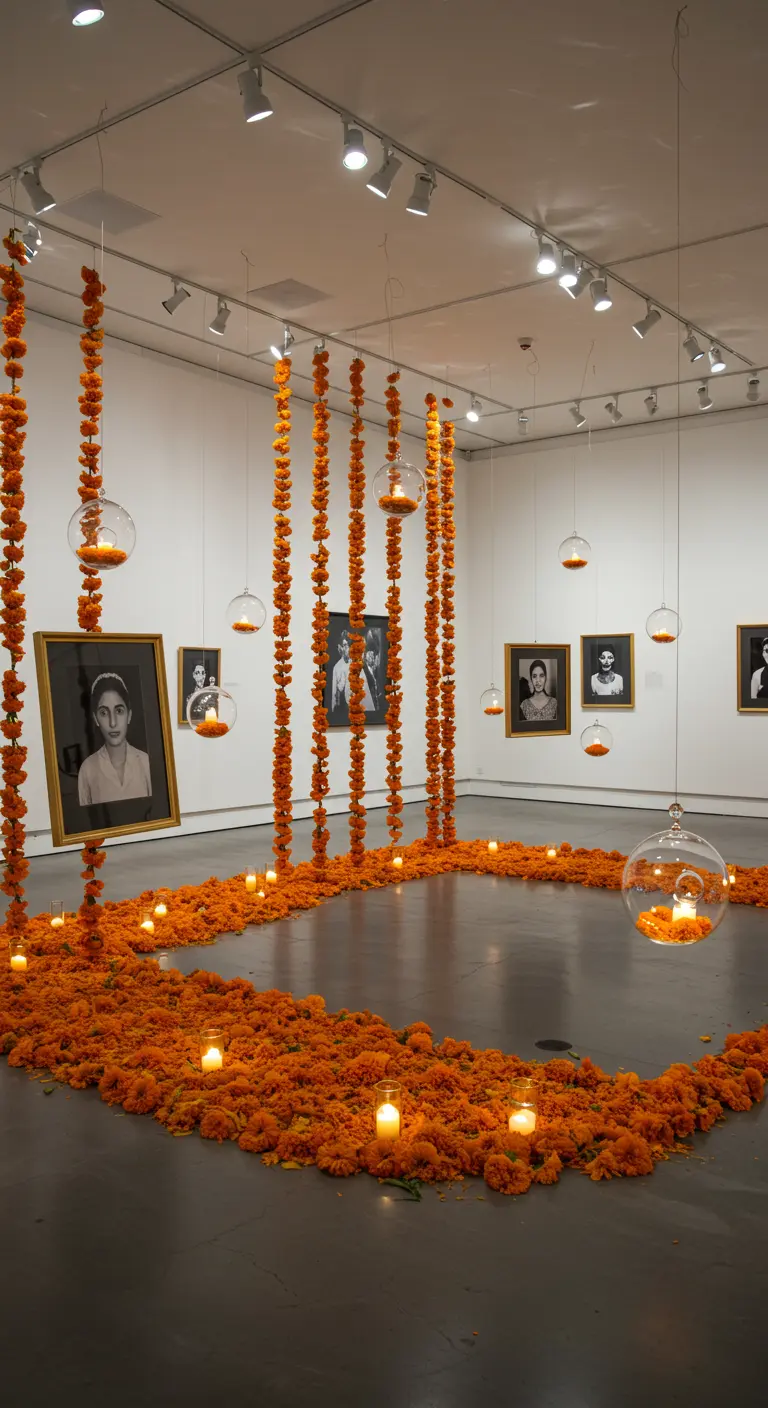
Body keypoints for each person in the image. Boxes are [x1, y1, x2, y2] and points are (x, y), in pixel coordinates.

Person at [78, 672, 152, 805]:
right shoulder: (87, 770)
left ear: (129, 715)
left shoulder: (146, 763)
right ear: (96, 719)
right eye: (104, 713)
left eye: (119, 711)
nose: (113, 723)